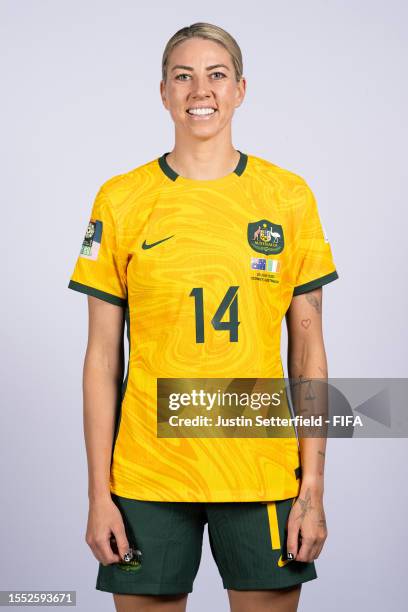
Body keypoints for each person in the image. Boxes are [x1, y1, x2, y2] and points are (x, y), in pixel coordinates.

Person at [68, 22, 339, 612]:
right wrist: (97, 493)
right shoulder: (121, 199)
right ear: (163, 92)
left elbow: (309, 354)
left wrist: (313, 487)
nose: (200, 90)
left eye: (216, 75)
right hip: (147, 474)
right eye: (183, 76)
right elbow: (101, 358)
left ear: (241, 89)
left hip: (261, 471)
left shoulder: (288, 197)